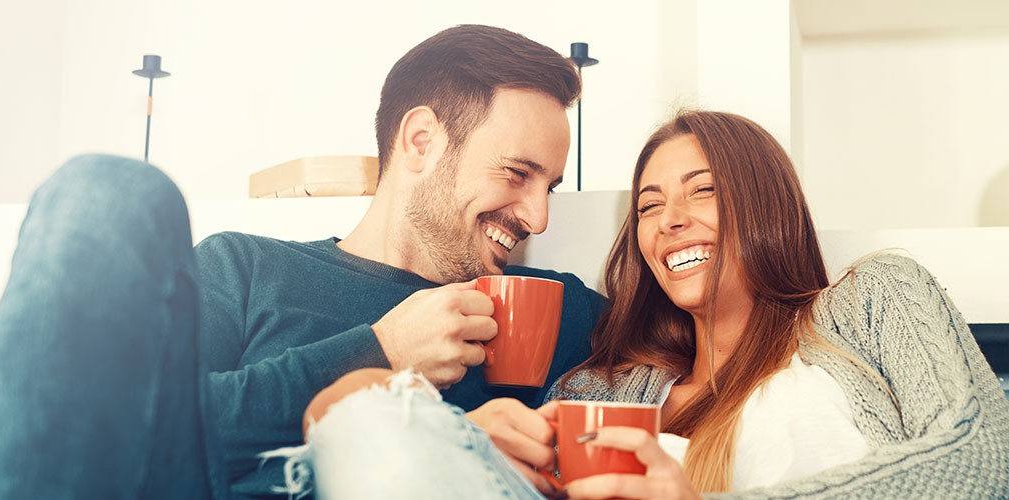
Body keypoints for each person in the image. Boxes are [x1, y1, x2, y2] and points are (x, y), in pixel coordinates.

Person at [0, 25, 606, 499]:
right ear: (422, 141)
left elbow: (695, 349)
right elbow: (124, 431)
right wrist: (381, 351)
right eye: (518, 174)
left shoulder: (550, 306)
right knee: (106, 192)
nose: (537, 217)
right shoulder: (244, 270)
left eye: (548, 187)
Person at [299, 110, 1009, 499]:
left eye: (702, 190)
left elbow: (987, 460)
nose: (668, 220)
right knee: (351, 403)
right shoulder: (601, 389)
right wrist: (486, 444)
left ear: (767, 202)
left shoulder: (873, 300)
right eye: (649, 205)